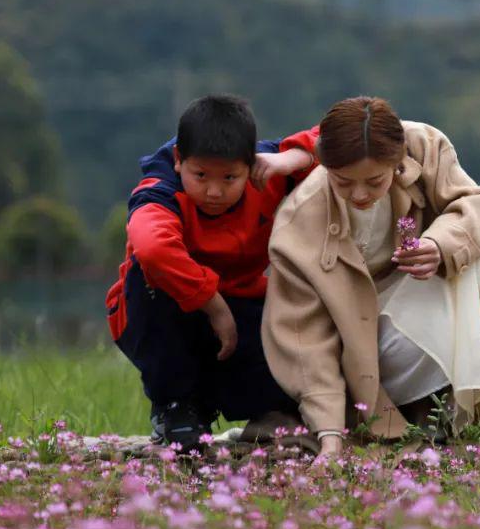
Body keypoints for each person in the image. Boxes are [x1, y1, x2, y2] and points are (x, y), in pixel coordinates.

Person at [262, 96, 480, 458]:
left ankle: (455, 406)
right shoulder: (300, 219)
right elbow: (303, 337)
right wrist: (329, 433)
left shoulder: (424, 146)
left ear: (397, 161)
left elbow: (477, 208)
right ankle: (419, 411)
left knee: (469, 261)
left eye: (374, 181)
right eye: (343, 182)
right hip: (357, 351)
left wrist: (440, 246)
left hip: (413, 310)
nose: (359, 194)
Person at [105, 94, 319, 452]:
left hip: (246, 308)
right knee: (149, 273)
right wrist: (211, 302)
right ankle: (176, 406)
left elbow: (346, 135)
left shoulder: (270, 170)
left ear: (251, 165)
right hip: (169, 313)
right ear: (179, 162)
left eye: (230, 177)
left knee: (282, 384)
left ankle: (267, 408)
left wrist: (293, 157)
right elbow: (153, 246)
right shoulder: (160, 191)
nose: (215, 190)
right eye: (200, 175)